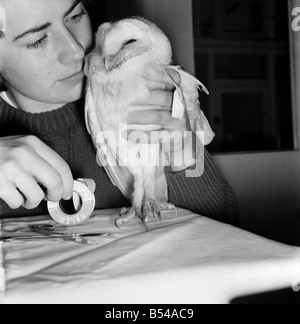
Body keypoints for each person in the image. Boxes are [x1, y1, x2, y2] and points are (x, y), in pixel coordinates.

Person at [0, 0, 238, 225]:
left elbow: (226, 233)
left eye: (75, 16)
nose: (75, 50)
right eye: (38, 40)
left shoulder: (150, 95)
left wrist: (184, 157)